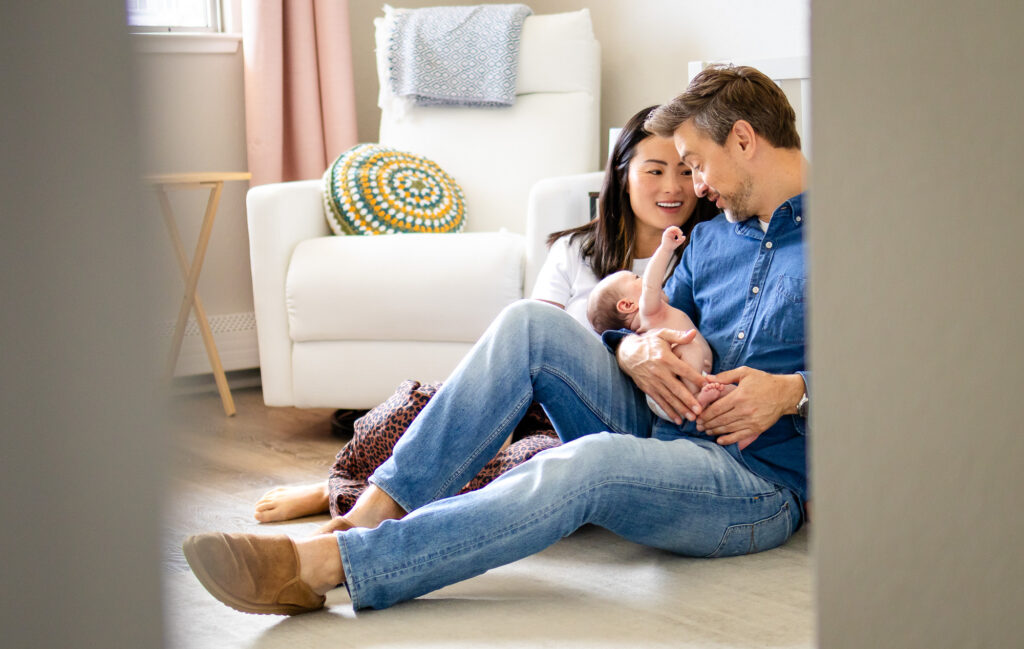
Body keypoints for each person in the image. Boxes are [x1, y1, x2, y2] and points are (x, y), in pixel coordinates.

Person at [183, 64, 810, 617]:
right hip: (663, 422)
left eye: (698, 164)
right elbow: (658, 318)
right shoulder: (710, 238)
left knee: (582, 466)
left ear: (745, 140)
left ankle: (331, 567)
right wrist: (627, 346)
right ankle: (370, 511)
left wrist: (793, 393)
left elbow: (898, 378)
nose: (696, 186)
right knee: (527, 324)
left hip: (752, 481)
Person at [250, 104, 719, 527]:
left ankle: (355, 501)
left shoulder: (701, 255)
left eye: (684, 171)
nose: (672, 188)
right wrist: (492, 418)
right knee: (423, 405)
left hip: (598, 418)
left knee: (532, 466)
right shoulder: (576, 249)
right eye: (654, 171)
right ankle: (350, 488)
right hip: (530, 398)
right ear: (621, 175)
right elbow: (533, 338)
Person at [586, 224, 735, 420]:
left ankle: (703, 397)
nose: (644, 279)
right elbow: (650, 284)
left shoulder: (650, 329)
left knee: (733, 394)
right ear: (627, 305)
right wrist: (665, 248)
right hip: (680, 388)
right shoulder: (649, 312)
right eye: (635, 277)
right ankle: (697, 395)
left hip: (667, 396)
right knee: (688, 347)